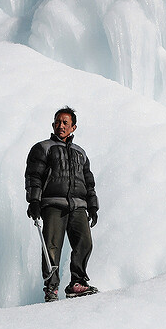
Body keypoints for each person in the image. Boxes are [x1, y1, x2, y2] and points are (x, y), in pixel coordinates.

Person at [25, 106, 99, 301]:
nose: (61, 126)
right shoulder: (43, 148)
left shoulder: (80, 153)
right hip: (53, 204)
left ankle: (77, 283)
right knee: (52, 246)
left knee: (85, 242)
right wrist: (34, 200)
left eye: (66, 123)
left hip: (78, 205)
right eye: (58, 122)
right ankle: (51, 288)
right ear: (53, 124)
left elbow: (88, 182)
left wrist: (93, 206)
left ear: (73, 127)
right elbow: (34, 176)